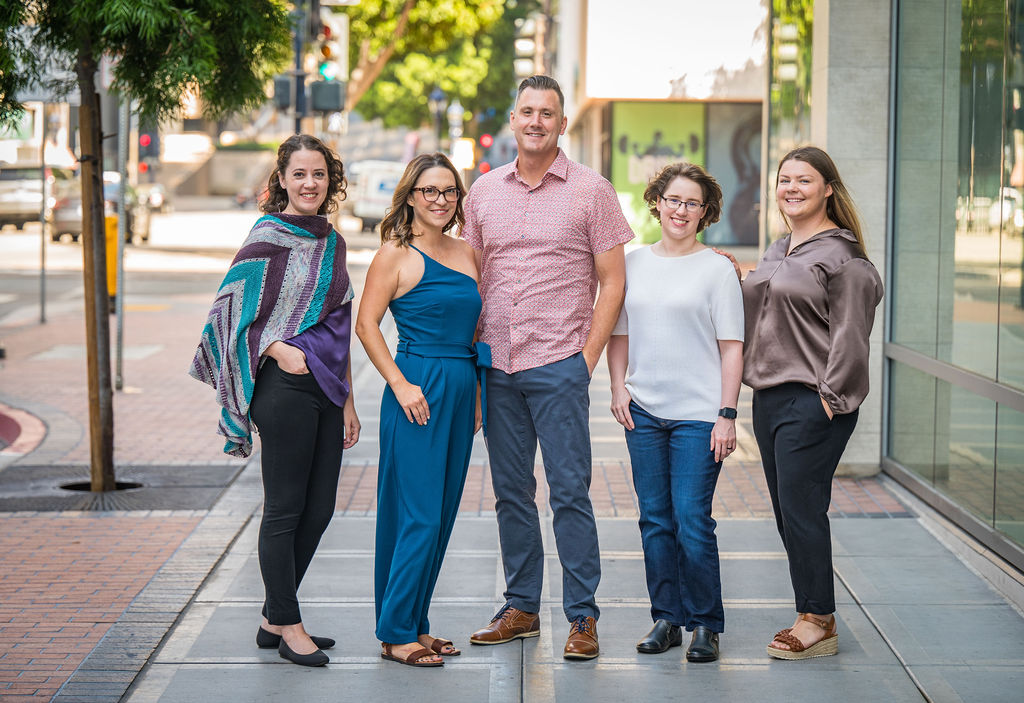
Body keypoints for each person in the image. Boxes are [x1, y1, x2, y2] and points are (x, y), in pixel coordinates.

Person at [462, 75, 634, 660]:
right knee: (511, 493)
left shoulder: (592, 191)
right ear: (513, 119)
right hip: (498, 368)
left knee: (569, 493)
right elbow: (473, 278)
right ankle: (522, 607)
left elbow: (613, 282)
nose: (536, 121)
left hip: (558, 364)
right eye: (527, 111)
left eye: (548, 113)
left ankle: (582, 617)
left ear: (563, 124)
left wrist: (583, 362)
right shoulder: (482, 194)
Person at [189, 134, 360, 668]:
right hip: (282, 389)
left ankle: (273, 616)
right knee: (285, 508)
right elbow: (227, 315)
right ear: (281, 180)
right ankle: (289, 622)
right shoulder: (266, 237)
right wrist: (278, 348)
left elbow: (340, 321)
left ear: (330, 182)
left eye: (319, 175)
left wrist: (349, 398)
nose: (310, 184)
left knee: (322, 506)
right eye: (300, 174)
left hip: (328, 388)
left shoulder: (332, 242)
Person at [742, 146, 883, 660]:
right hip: (769, 400)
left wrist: (830, 400)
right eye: (785, 179)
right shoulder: (781, 249)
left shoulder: (844, 259)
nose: (792, 187)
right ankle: (811, 608)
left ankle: (817, 620)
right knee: (787, 513)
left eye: (804, 179)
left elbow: (852, 337)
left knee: (803, 511)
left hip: (812, 401)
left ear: (828, 188)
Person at [607, 162, 744, 663]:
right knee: (655, 519)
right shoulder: (634, 264)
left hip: (698, 416)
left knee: (691, 518)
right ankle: (666, 617)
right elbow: (618, 334)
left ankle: (705, 622)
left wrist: (727, 413)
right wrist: (619, 388)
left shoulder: (717, 270)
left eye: (692, 203)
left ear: (704, 212)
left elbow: (732, 347)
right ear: (656, 203)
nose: (680, 210)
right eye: (673, 199)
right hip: (643, 412)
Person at [355, 153, 484, 668]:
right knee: (418, 514)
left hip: (459, 388)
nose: (440, 200)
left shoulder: (468, 251)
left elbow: (475, 331)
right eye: (430, 191)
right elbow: (367, 326)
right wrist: (400, 384)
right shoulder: (395, 254)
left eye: (449, 191)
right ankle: (394, 633)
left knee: (443, 513)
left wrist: (476, 394)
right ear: (410, 195)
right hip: (417, 390)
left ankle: (415, 622)